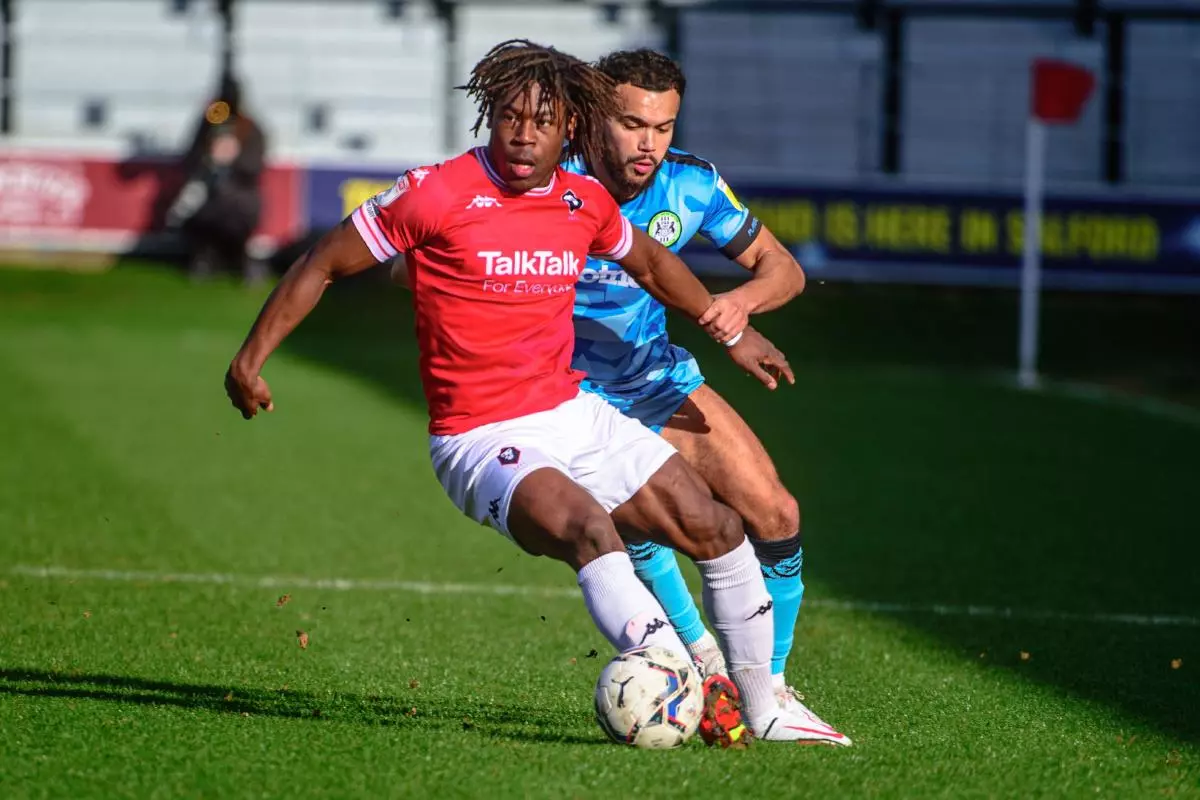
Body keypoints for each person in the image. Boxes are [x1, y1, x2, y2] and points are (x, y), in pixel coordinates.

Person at [224, 40, 822, 745]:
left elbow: (654, 265)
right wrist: (250, 360)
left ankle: (766, 708)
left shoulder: (582, 199)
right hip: (481, 434)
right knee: (592, 531)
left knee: (717, 526)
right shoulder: (435, 192)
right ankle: (680, 671)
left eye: (543, 122)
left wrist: (733, 329)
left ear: (568, 125)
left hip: (574, 408)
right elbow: (324, 262)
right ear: (492, 117)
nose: (525, 135)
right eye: (511, 118)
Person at [566, 49, 850, 746]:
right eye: (633, 124)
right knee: (644, 526)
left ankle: (770, 690)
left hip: (654, 379)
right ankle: (703, 662)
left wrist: (740, 307)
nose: (649, 144)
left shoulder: (690, 184)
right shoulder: (551, 178)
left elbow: (782, 268)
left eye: (663, 127)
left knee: (776, 511)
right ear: (595, 117)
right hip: (568, 396)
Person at [168, 71, 269, 285]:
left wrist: (234, 157)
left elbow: (255, 166)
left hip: (240, 196)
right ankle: (205, 257)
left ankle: (242, 261)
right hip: (207, 193)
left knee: (237, 209)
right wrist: (209, 157)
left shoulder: (249, 127)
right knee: (190, 206)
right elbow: (190, 158)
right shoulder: (210, 123)